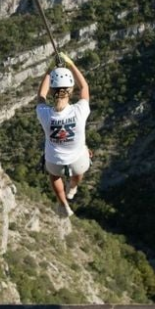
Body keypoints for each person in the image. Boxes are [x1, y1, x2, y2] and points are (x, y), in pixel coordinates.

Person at [36, 52, 91, 217]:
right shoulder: (80, 110)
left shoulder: (44, 113)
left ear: (52, 91)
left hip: (54, 161)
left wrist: (49, 70)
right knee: (80, 166)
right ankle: (73, 186)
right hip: (78, 161)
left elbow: (40, 96)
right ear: (71, 89)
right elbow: (85, 87)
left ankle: (63, 203)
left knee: (54, 176)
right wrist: (71, 64)